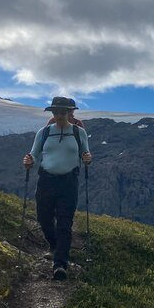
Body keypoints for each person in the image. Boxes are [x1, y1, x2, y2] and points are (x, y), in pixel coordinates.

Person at [23, 96, 92, 280]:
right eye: (56, 112)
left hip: (68, 182)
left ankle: (60, 264)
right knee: (43, 217)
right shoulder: (44, 132)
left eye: (63, 112)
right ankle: (54, 245)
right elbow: (35, 153)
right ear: (52, 113)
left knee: (64, 221)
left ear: (69, 112)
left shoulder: (79, 132)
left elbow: (85, 152)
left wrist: (87, 158)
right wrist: (30, 160)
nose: (59, 115)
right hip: (46, 180)